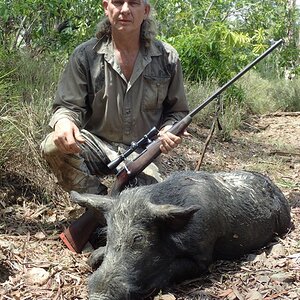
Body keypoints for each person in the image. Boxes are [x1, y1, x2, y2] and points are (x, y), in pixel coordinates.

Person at [41, 0, 189, 197]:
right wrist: (64, 122)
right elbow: (68, 106)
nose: (125, 10)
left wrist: (169, 130)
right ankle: (99, 204)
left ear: (145, 11)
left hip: (143, 152)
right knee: (52, 145)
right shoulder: (85, 56)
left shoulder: (167, 57)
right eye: (118, 2)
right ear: (106, 7)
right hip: (95, 145)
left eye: (134, 3)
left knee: (150, 205)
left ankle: (110, 209)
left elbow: (177, 112)